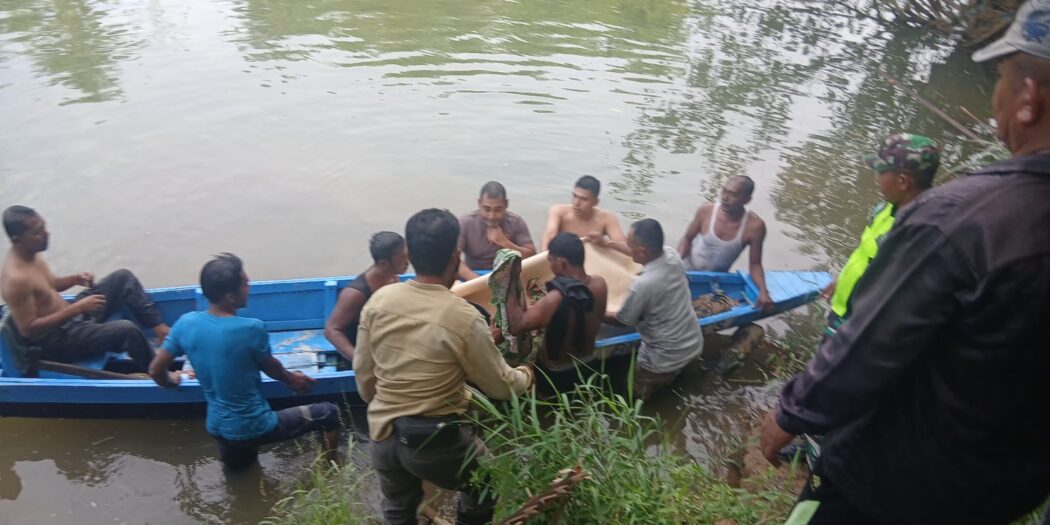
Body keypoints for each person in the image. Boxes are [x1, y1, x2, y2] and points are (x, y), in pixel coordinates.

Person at [760, 3, 1050, 522]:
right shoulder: (928, 218)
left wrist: (791, 413)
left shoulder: (957, 221)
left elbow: (870, 349)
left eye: (1001, 79)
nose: (996, 96)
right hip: (1002, 488)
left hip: (890, 486)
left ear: (1028, 98)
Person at [354, 208, 534, 525]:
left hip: (382, 433)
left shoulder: (378, 302)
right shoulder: (463, 316)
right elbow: (501, 386)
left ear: (410, 255)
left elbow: (365, 379)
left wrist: (385, 406)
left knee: (398, 508)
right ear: (455, 256)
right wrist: (527, 374)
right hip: (433, 440)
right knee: (487, 483)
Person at [149, 254, 340, 470]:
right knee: (329, 413)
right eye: (246, 284)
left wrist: (171, 381)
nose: (249, 288)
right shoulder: (250, 328)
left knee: (241, 471)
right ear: (231, 297)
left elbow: (155, 370)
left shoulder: (186, 323)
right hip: (254, 425)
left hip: (217, 426)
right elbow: (271, 367)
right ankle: (330, 470)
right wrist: (291, 379)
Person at [1, 205, 168, 372]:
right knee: (127, 330)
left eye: (44, 227)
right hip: (57, 342)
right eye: (37, 232)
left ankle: (161, 330)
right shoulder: (16, 280)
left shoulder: (33, 253)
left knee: (122, 278)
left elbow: (51, 285)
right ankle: (160, 373)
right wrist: (77, 309)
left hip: (71, 317)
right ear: (17, 240)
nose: (46, 234)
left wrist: (75, 279)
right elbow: (29, 330)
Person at [822, 133, 940, 329]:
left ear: (902, 181)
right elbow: (864, 252)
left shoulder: (920, 233)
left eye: (880, 172)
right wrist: (842, 280)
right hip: (843, 310)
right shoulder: (884, 208)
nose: (876, 178)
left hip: (861, 326)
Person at [604, 219, 703, 400]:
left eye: (629, 243)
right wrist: (607, 243)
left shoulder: (643, 284)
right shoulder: (672, 256)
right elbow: (637, 252)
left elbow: (622, 320)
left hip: (661, 359)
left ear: (642, 251)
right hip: (693, 345)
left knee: (633, 397)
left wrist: (593, 310)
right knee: (685, 392)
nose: (627, 246)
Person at [504, 233, 608, 394]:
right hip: (588, 362)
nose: (550, 266)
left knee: (550, 404)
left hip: (557, 372)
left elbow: (517, 325)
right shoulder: (600, 284)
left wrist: (509, 282)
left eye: (550, 261)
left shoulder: (556, 298)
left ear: (561, 262)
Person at [677, 176, 773, 310]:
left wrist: (763, 290)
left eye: (733, 195)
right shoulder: (706, 211)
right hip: (685, 271)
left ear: (747, 200)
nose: (725, 198)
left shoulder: (754, 227)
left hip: (714, 281)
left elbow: (755, 264)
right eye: (724, 191)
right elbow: (687, 239)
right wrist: (676, 263)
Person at [324, 231, 408, 362]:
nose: (408, 261)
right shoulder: (355, 294)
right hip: (362, 351)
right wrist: (359, 361)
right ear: (384, 264)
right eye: (402, 257)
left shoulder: (392, 278)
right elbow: (331, 330)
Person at [457, 181, 536, 280]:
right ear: (479, 203)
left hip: (506, 277)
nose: (492, 216)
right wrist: (478, 281)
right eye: (487, 209)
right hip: (473, 276)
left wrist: (504, 242)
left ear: (506, 204)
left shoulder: (516, 222)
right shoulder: (466, 223)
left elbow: (532, 258)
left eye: (498, 209)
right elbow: (453, 259)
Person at [540, 176, 627, 252]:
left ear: (595, 202)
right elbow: (550, 235)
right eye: (575, 196)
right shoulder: (559, 211)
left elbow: (627, 249)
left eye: (584, 199)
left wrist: (605, 243)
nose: (576, 203)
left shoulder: (607, 218)